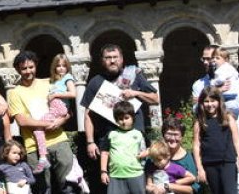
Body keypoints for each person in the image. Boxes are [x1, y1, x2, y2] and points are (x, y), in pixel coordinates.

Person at [83, 45, 158, 192]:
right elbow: (88, 115)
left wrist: (135, 93)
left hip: (135, 141)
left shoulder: (134, 76)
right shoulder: (95, 82)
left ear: (122, 59)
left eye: (115, 57)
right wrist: (90, 142)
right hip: (109, 142)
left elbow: (155, 98)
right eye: (108, 58)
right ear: (102, 61)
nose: (112, 61)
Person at [6, 51, 81, 194]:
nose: (28, 71)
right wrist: (48, 124)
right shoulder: (15, 93)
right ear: (17, 70)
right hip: (34, 147)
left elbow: (67, 110)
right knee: (42, 189)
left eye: (31, 67)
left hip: (59, 141)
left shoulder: (49, 83)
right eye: (24, 68)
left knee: (69, 186)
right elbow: (22, 121)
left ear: (36, 66)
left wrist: (60, 121)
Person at [190, 47, 239, 194]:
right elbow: (195, 107)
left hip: (228, 148)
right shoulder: (198, 85)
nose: (210, 62)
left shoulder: (231, 78)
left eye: (213, 58)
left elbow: (236, 103)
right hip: (210, 157)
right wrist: (218, 90)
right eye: (206, 59)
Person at [191, 88, 239, 194]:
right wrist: (200, 168)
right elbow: (196, 146)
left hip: (227, 162)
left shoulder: (228, 118)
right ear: (202, 103)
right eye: (206, 101)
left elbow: (237, 141)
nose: (210, 104)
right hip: (209, 164)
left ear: (219, 101)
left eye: (213, 101)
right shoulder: (200, 123)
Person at [99, 102, 147, 194]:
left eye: (126, 118)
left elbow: (150, 149)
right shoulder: (111, 135)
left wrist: (146, 153)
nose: (124, 121)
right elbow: (104, 153)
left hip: (136, 175)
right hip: (115, 176)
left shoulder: (139, 134)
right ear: (116, 120)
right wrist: (103, 172)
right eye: (120, 119)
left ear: (133, 118)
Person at [146, 117, 201, 194]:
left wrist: (169, 186)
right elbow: (148, 182)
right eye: (169, 134)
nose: (172, 138)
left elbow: (194, 189)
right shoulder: (154, 157)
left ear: (182, 137)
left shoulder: (188, 160)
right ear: (163, 135)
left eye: (176, 135)